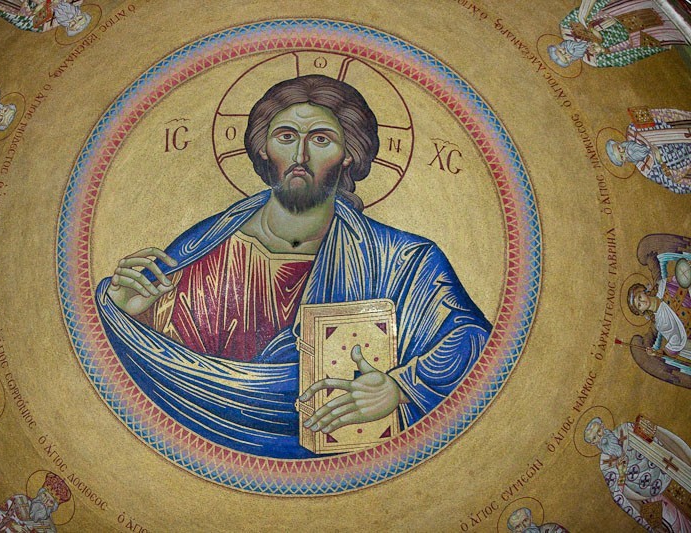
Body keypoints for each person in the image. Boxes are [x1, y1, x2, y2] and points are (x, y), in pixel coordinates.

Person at [96, 75, 491, 459]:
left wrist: (400, 387)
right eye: (286, 137)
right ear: (263, 149)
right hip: (204, 454)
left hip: (342, 466)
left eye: (320, 139)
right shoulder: (203, 252)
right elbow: (164, 367)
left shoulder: (402, 260)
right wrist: (129, 315)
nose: (300, 157)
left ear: (349, 153)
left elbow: (472, 340)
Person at [584, 417, 691, 531]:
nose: (600, 437)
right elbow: (617, 493)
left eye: (599, 431)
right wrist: (621, 473)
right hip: (652, 498)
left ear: (603, 426)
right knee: (676, 526)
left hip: (670, 476)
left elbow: (655, 438)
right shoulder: (605, 464)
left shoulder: (626, 430)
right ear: (593, 443)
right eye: (594, 438)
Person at [548, 0, 687, 68]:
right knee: (677, 18)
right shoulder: (595, 60)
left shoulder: (566, 27)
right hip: (640, 31)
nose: (568, 53)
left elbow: (584, 12)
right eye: (567, 58)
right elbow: (627, 56)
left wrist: (590, 26)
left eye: (561, 51)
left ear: (559, 45)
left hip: (619, 10)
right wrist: (604, 49)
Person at [606, 108, 691, 194]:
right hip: (685, 157)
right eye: (621, 156)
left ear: (619, 143)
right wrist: (661, 161)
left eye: (619, 148)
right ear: (625, 162)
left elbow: (658, 114)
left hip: (680, 131)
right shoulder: (646, 169)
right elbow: (673, 185)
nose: (624, 151)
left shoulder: (632, 129)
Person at [628, 276, 689, 360]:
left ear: (643, 291)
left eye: (640, 297)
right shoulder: (660, 323)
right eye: (639, 305)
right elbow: (675, 341)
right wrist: (658, 352)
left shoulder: (662, 286)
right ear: (641, 311)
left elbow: (681, 279)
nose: (643, 302)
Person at [0, 472, 71, 532]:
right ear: (39, 493)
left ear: (53, 508)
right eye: (44, 495)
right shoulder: (20, 501)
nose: (44, 501)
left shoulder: (49, 529)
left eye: (50, 501)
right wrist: (12, 525)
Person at [0, 0, 91, 36]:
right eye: (79, 19)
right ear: (81, 13)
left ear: (67, 27)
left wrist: (39, 7)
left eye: (72, 24)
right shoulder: (76, 1)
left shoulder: (44, 25)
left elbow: (24, 20)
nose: (72, 18)